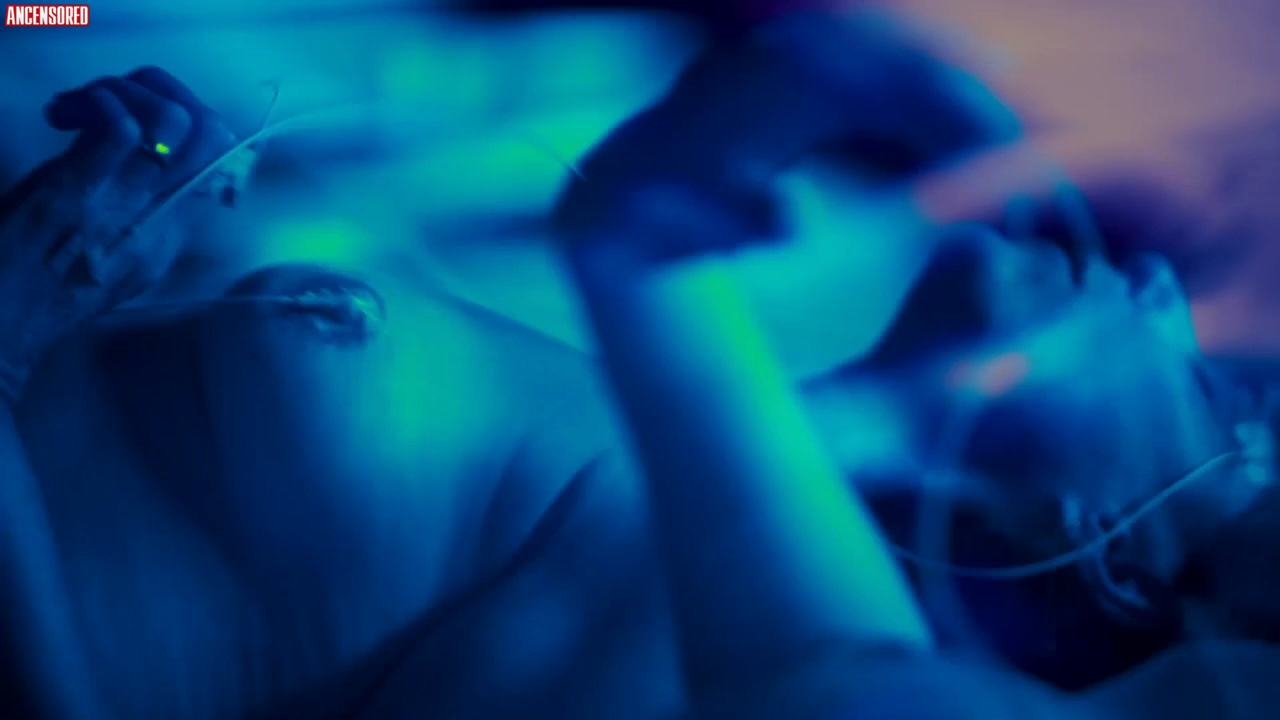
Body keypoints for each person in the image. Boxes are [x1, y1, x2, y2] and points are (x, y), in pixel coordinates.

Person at [0, 10, 1277, 720]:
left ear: (1100, 544)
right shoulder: (668, 401)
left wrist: (8, 335)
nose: (1167, 296)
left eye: (1216, 390)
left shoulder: (664, 664)